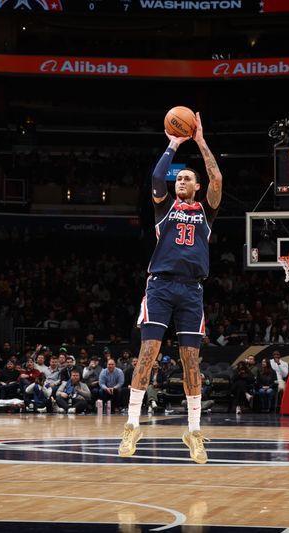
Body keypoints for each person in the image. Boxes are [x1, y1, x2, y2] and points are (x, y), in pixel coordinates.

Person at [119, 112, 223, 464]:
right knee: (147, 353)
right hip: (161, 286)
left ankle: (193, 431)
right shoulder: (164, 208)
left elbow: (218, 179)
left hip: (192, 290)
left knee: (191, 360)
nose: (181, 180)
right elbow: (155, 177)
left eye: (188, 178)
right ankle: (132, 424)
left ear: (196, 186)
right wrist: (174, 143)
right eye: (178, 177)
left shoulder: (206, 212)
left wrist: (201, 142)